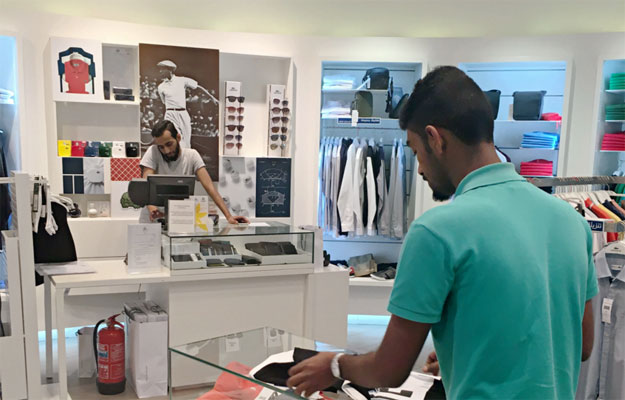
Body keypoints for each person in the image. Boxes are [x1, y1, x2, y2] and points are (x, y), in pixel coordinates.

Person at [286, 66, 597, 399]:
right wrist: (466, 355)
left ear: (435, 139)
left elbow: (390, 369)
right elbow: (581, 344)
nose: (418, 168)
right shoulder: (572, 221)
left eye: (416, 151)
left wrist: (335, 365)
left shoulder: (437, 231)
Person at [139, 120, 248, 225]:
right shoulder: (153, 152)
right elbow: (146, 187)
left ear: (178, 137)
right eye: (161, 147)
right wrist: (154, 210)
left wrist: (229, 216)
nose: (166, 151)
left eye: (169, 144)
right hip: (151, 220)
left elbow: (209, 187)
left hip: (178, 218)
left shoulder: (192, 155)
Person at [156, 60, 218, 148]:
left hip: (183, 114)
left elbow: (198, 87)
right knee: (175, 137)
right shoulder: (161, 87)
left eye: (162, 69)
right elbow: (164, 102)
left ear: (169, 70)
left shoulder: (182, 80)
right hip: (169, 114)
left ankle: (186, 159)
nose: (160, 71)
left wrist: (212, 97)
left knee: (187, 141)